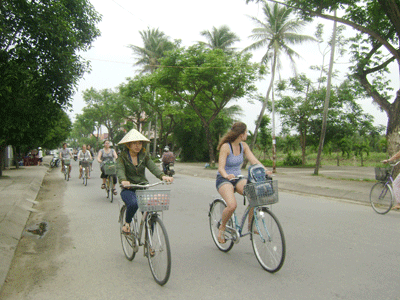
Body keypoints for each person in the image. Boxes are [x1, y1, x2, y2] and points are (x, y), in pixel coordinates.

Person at [216, 122, 270, 244]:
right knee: (232, 206)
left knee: (254, 194)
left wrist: (265, 170)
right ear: (241, 134)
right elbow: (221, 168)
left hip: (238, 178)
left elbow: (254, 161)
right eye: (246, 132)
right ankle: (222, 227)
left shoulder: (243, 146)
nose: (247, 134)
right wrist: (226, 175)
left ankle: (251, 224)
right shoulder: (226, 147)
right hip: (224, 179)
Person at [116, 129, 173, 234]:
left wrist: (163, 176)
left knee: (150, 215)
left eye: (140, 143)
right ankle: (127, 223)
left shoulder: (144, 156)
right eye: (134, 143)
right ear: (128, 144)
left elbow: (153, 167)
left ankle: (150, 245)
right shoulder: (122, 158)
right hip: (128, 189)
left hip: (142, 188)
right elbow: (120, 170)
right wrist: (123, 180)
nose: (138, 145)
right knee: (133, 204)